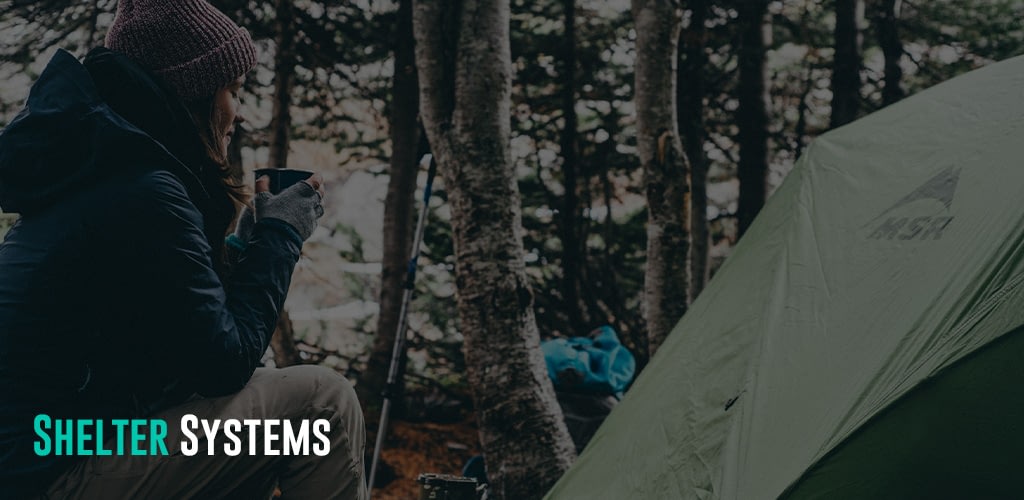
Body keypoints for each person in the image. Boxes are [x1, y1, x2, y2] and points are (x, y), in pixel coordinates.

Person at [0, 0, 367, 498]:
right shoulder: (145, 190)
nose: (237, 112)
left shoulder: (95, 173)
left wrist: (241, 249)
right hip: (56, 468)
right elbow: (223, 365)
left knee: (250, 420)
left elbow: (177, 344)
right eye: (233, 92)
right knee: (323, 403)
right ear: (193, 92)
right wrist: (281, 238)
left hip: (44, 451)